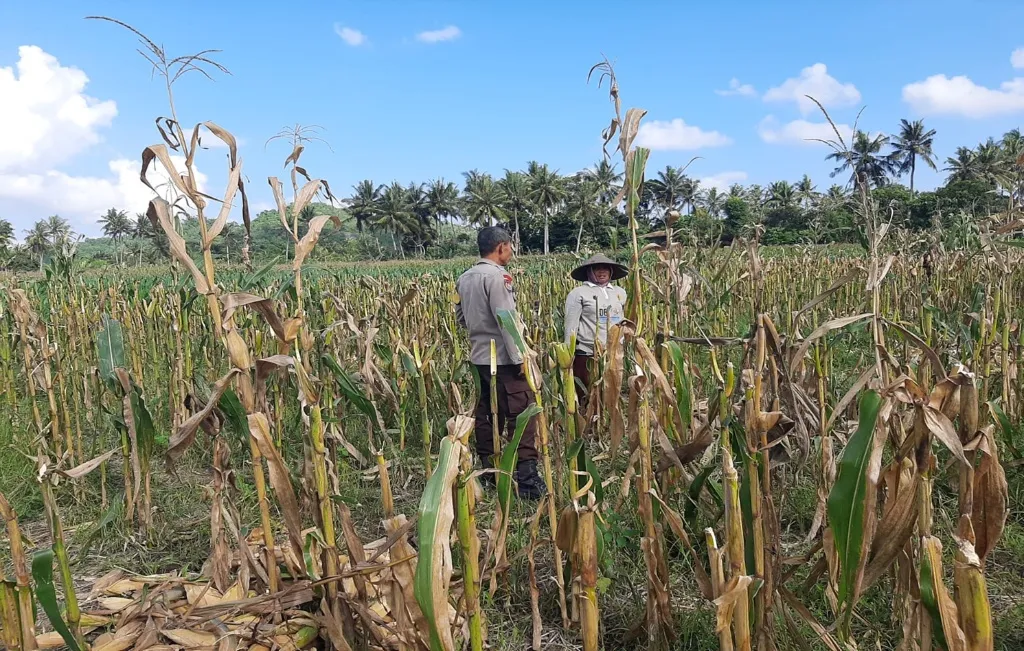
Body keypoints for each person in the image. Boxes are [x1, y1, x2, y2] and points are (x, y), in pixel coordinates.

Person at [455, 226, 546, 499]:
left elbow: (461, 319)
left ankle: (489, 471)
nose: (511, 252)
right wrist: (521, 357)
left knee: (486, 413)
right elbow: (506, 320)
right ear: (501, 247)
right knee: (522, 414)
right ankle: (527, 480)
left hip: (480, 357)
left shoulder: (465, 278)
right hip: (505, 359)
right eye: (510, 247)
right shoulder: (498, 277)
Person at [563, 253, 629, 390]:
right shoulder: (578, 293)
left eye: (605, 268)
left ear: (611, 271)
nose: (602, 271)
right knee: (588, 395)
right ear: (589, 272)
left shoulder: (620, 292)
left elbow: (623, 320)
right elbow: (571, 326)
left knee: (611, 394)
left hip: (614, 353)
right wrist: (568, 355)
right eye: (597, 268)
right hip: (588, 354)